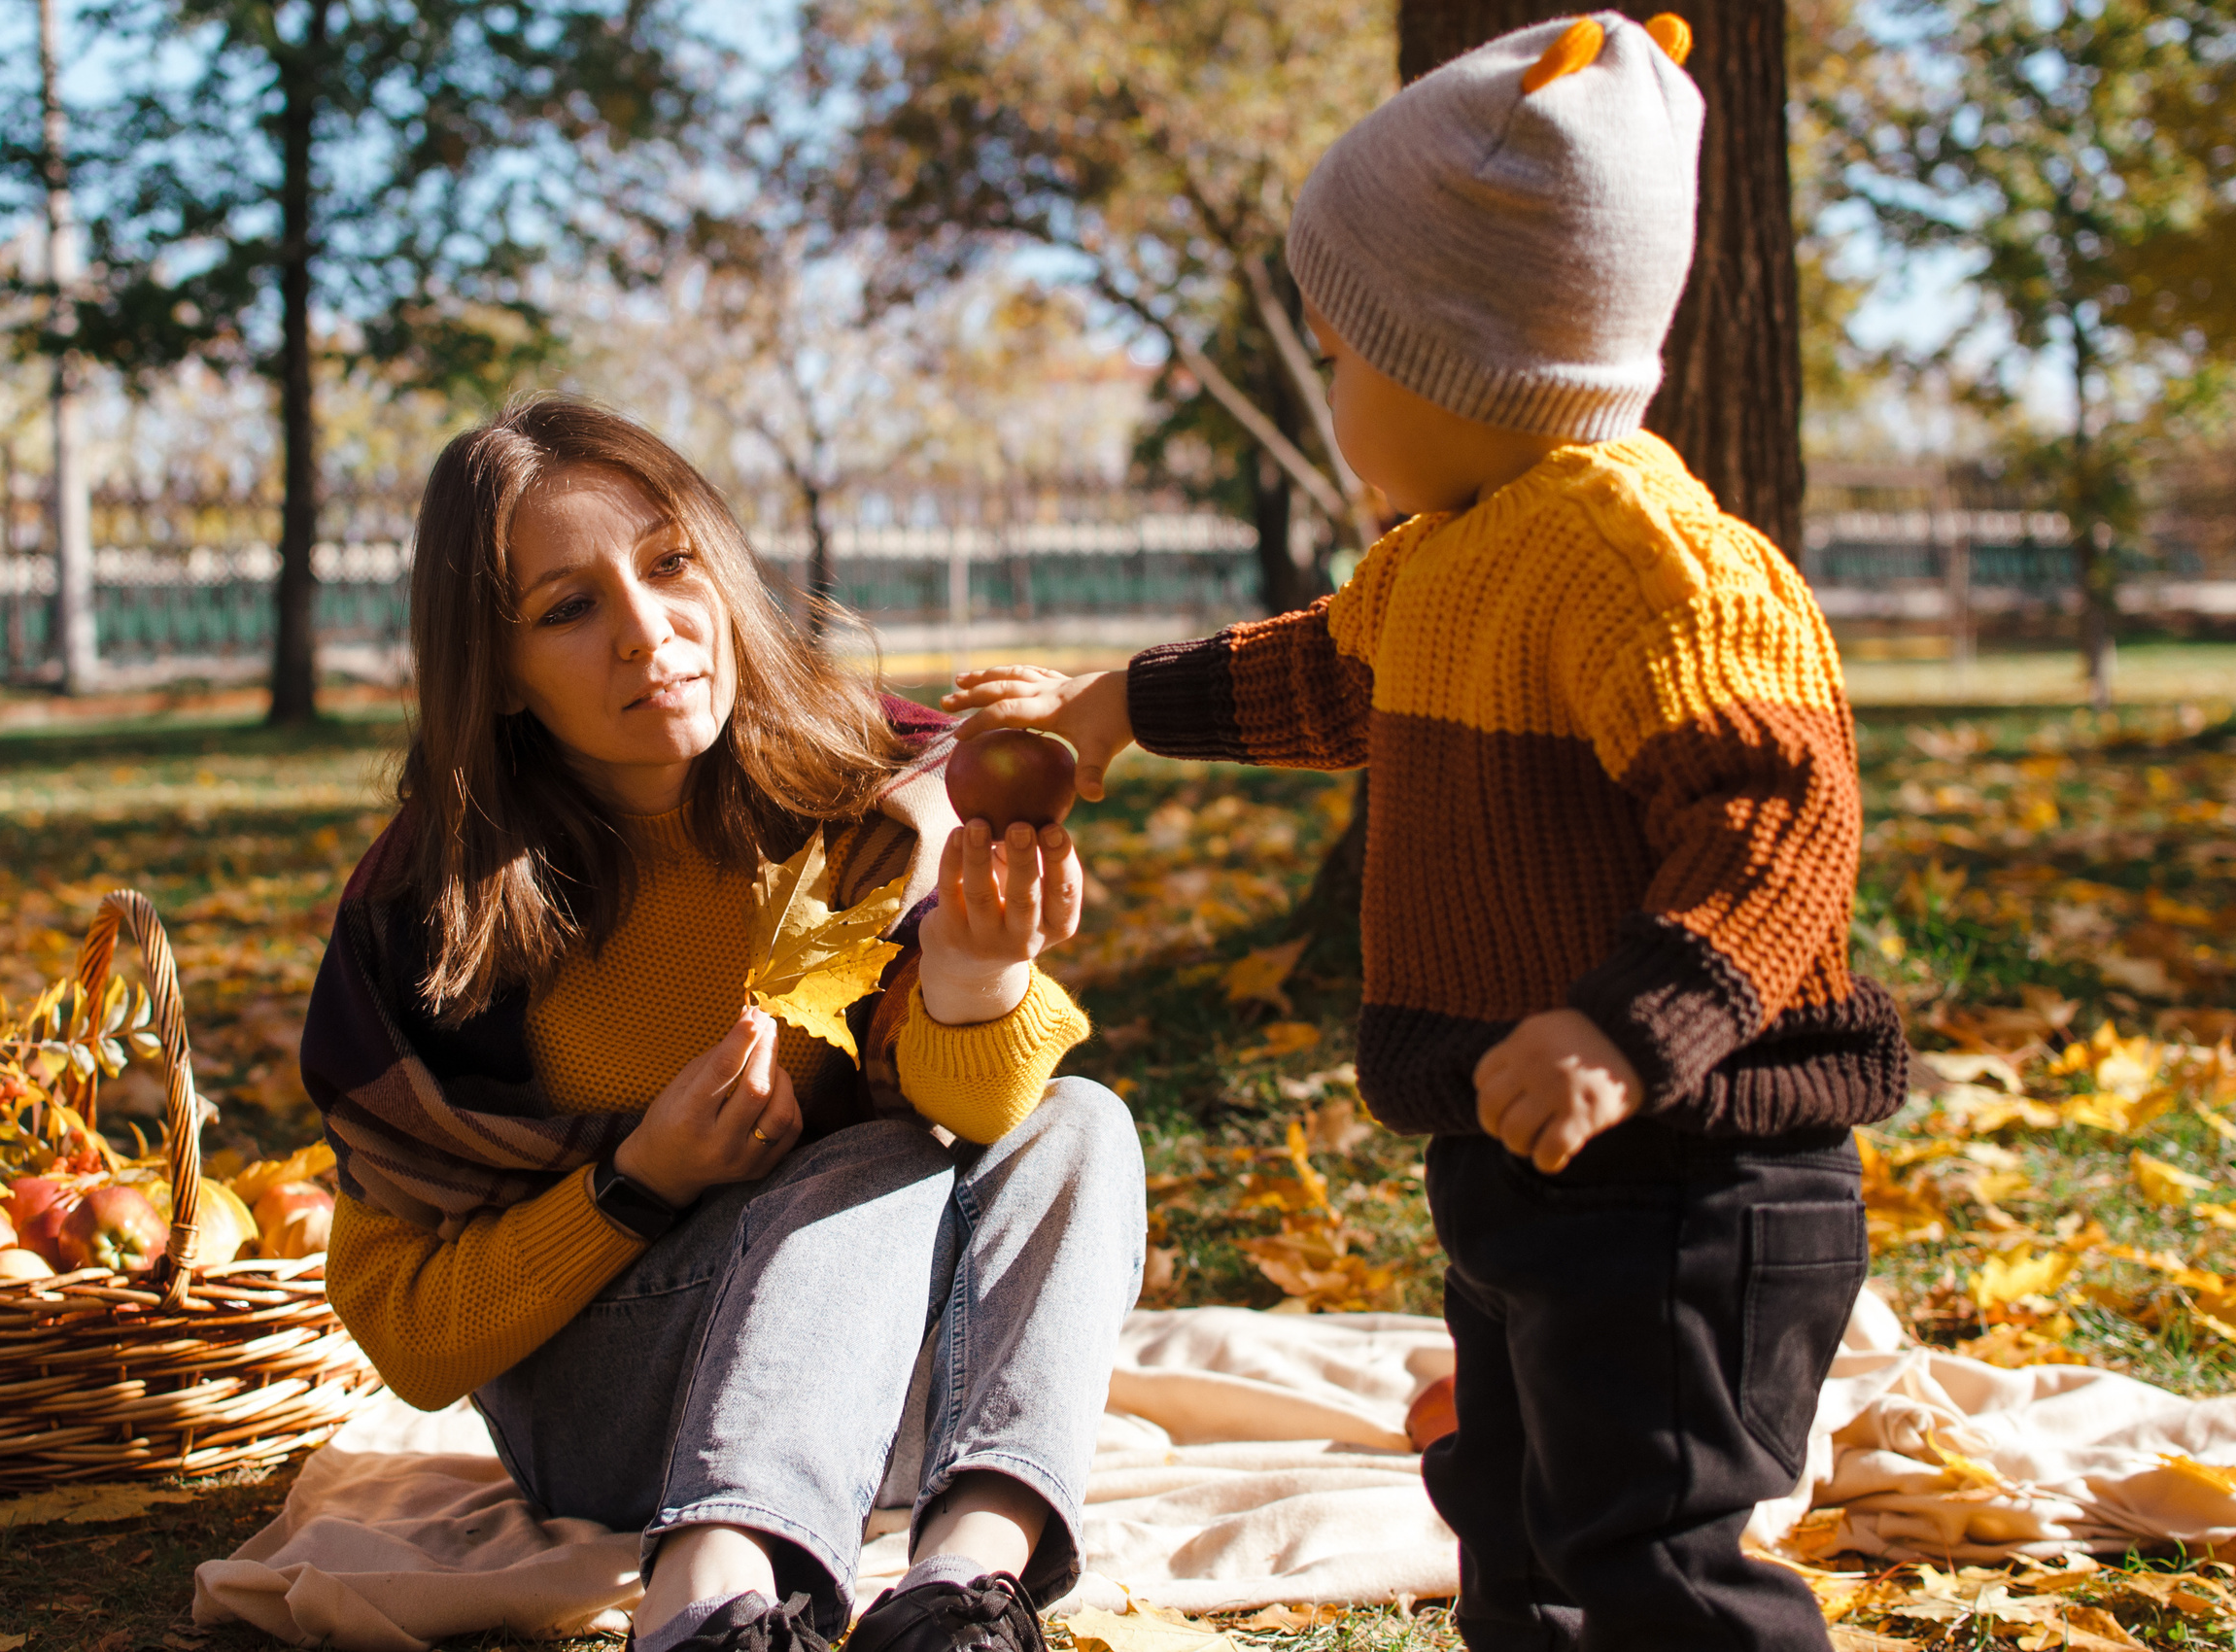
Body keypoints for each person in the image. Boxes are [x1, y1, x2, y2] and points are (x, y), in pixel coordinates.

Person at [945, 16, 1908, 1650]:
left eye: (1342, 356)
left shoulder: (1649, 561)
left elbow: (1778, 818)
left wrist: (1626, 1028)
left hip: (1691, 1168)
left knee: (1655, 1556)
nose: (1330, 391)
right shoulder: (1445, 556)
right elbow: (1316, 677)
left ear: (1457, 361)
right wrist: (1113, 705)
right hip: (1523, 1159)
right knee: (1516, 1527)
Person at [300, 397, 1146, 1652]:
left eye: (669, 563)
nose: (648, 632)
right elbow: (413, 1339)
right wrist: (637, 1181)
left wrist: (974, 973)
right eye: (568, 609)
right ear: (501, 669)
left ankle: (962, 1593)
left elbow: (973, 1114)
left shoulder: (873, 802)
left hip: (876, 1393)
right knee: (870, 1157)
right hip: (611, 1414)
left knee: (1080, 1126)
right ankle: (704, 1598)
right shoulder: (438, 915)